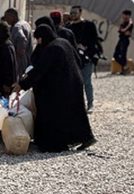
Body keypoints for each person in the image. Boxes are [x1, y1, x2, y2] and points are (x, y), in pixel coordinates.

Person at [13, 25, 96, 153]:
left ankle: (56, 144)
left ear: (42, 37)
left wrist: (22, 84)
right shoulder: (64, 42)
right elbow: (77, 61)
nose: (38, 42)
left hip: (61, 87)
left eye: (38, 39)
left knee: (54, 114)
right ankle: (86, 137)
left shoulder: (52, 48)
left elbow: (40, 70)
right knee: (76, 112)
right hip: (74, 83)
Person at [67, 5, 101, 113]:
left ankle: (90, 103)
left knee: (86, 81)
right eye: (71, 13)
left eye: (75, 13)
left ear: (80, 13)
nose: (73, 15)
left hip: (86, 58)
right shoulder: (69, 27)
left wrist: (85, 47)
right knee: (74, 83)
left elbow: (95, 41)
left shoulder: (89, 25)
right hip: (73, 58)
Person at [3, 8, 33, 81]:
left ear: (12, 16)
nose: (6, 20)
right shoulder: (25, 24)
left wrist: (20, 50)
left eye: (6, 17)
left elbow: (21, 38)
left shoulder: (17, 26)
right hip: (28, 59)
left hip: (20, 61)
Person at [0, 21, 17, 97]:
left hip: (3, 82)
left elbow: (9, 65)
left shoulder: (5, 46)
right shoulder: (3, 44)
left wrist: (7, 83)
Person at [114, 10, 133, 74]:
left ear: (128, 15)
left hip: (125, 40)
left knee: (123, 54)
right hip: (121, 39)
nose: (123, 16)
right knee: (116, 55)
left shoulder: (129, 23)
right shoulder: (124, 22)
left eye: (124, 15)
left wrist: (123, 31)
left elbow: (123, 30)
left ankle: (124, 68)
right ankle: (124, 67)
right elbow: (120, 30)